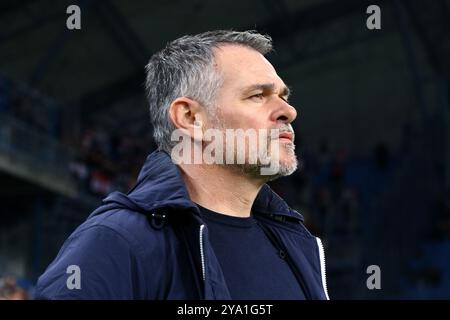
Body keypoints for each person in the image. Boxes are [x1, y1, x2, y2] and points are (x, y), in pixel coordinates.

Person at [35, 30, 329, 300]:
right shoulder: (118, 241)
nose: (288, 111)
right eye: (257, 96)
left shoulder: (299, 245)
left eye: (283, 96)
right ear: (190, 118)